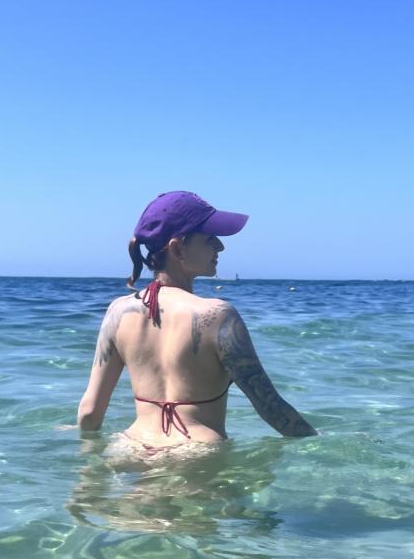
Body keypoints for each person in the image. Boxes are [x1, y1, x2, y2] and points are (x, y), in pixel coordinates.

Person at [75, 191, 316, 446]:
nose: (220, 246)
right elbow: (271, 408)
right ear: (177, 248)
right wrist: (321, 446)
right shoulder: (218, 315)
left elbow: (89, 413)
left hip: (132, 446)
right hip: (195, 453)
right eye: (210, 239)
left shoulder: (118, 312)